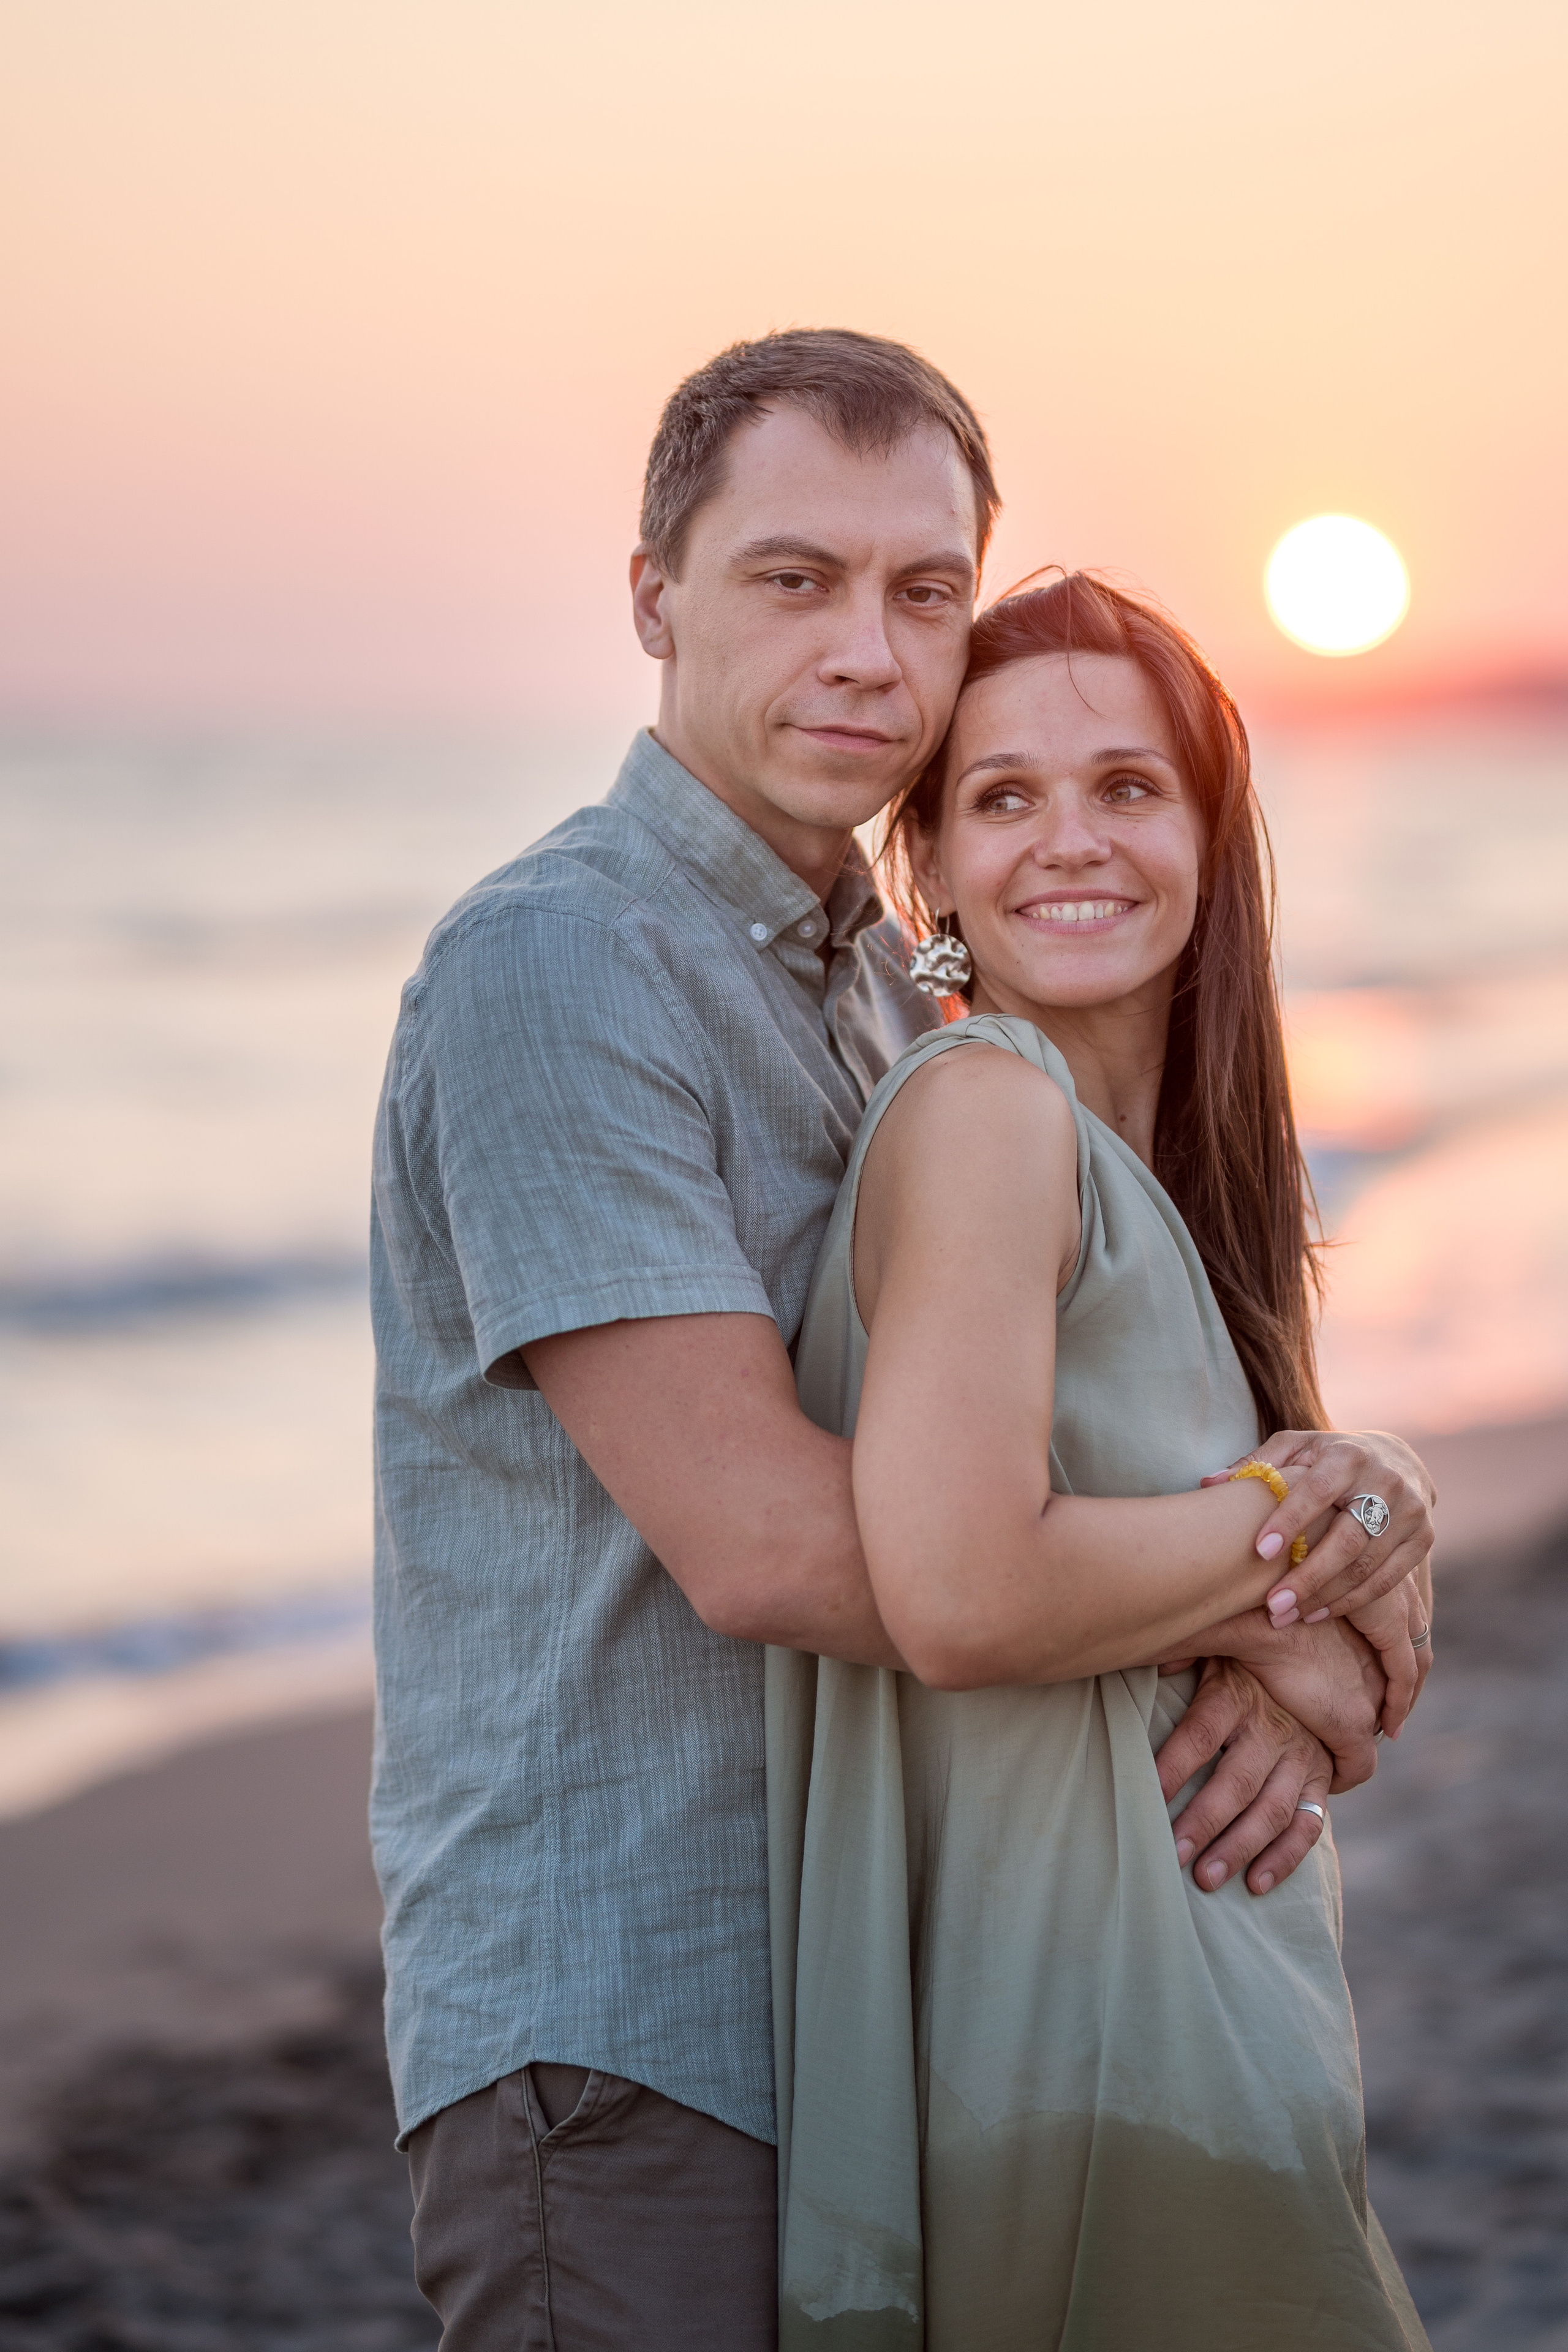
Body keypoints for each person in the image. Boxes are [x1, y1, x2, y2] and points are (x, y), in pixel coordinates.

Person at [369, 331, 1436, 2349]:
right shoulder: (562, 961)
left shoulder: (890, 1012)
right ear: (653, 598)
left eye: (923, 591)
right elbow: (787, 1543)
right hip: (636, 2029)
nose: (872, 650)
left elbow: (1049, 1460)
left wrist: (1363, 1501)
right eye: (796, 579)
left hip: (891, 2002)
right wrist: (1284, 1599)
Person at [769, 570, 1434, 2349]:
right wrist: (1319, 1535)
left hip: (1208, 2028)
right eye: (1004, 796)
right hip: (1078, 2057)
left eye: (1129, 787)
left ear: (1215, 840)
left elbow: (1339, 1691)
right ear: (931, 872)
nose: (1072, 840)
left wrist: (1352, 1532)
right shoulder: (987, 1111)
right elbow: (971, 1592)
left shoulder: (1150, 1187)